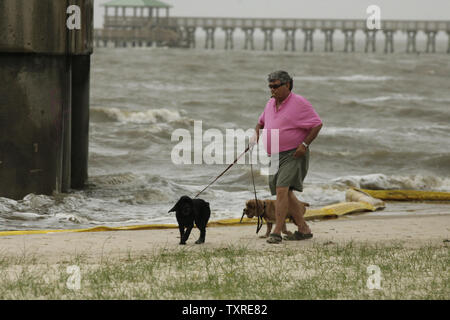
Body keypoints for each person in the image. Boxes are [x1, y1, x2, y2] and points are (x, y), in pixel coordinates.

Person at [251, 70, 322, 244]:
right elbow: (260, 122)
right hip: (273, 155)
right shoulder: (270, 103)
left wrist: (304, 145)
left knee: (282, 190)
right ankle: (304, 228)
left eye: (275, 86)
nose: (272, 90)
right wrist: (256, 134)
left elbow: (317, 124)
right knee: (285, 192)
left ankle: (277, 231)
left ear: (287, 84)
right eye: (270, 86)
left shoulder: (300, 103)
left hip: (293, 153)